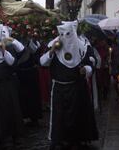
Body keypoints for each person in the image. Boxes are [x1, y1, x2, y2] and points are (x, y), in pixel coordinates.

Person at [40, 21, 98, 149]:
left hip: (76, 87)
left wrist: (87, 69)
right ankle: (58, 139)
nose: (64, 36)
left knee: (75, 114)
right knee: (59, 115)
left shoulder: (82, 46)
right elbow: (42, 62)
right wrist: (52, 51)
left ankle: (75, 139)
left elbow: (92, 62)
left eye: (68, 34)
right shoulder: (54, 45)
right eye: (62, 34)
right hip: (59, 88)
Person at [16, 38, 43, 126]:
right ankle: (24, 116)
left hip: (31, 72)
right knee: (22, 95)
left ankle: (34, 116)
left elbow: (35, 50)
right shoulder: (14, 42)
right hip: (20, 72)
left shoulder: (32, 40)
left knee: (33, 94)